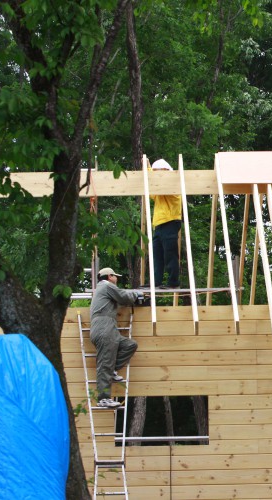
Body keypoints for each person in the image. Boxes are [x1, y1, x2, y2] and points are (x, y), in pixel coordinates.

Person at [90, 267, 143, 408]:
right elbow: (123, 296)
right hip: (104, 326)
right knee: (105, 363)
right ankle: (103, 399)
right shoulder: (106, 286)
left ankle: (113, 369)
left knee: (130, 345)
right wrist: (137, 294)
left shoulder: (103, 289)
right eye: (115, 276)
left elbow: (119, 300)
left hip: (109, 327)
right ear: (109, 276)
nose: (117, 279)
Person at [150, 159, 182, 289]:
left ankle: (173, 282)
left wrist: (149, 171)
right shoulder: (158, 191)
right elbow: (153, 192)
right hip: (159, 224)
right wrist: (147, 168)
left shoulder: (173, 186)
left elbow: (160, 187)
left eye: (158, 173)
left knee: (170, 254)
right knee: (157, 256)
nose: (156, 176)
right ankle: (156, 282)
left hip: (170, 222)